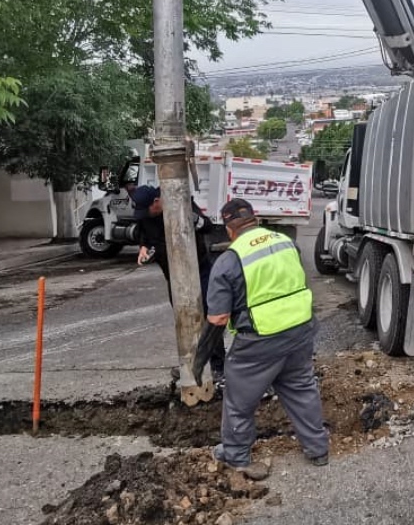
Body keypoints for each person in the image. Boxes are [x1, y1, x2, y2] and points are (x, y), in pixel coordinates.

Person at [206, 198, 329, 479]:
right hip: (300, 329)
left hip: (260, 340)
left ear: (229, 229)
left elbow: (218, 319)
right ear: (255, 219)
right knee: (301, 388)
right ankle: (318, 449)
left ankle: (237, 455)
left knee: (239, 399)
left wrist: (201, 355)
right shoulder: (286, 242)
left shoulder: (229, 260)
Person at [130, 185, 224, 380]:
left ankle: (218, 367)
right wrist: (143, 247)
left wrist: (191, 218)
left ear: (157, 202)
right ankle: (190, 364)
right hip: (173, 276)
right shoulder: (146, 216)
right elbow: (143, 234)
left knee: (209, 315)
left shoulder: (181, 203)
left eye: (146, 210)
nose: (144, 215)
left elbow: (207, 226)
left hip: (200, 269)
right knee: (184, 317)